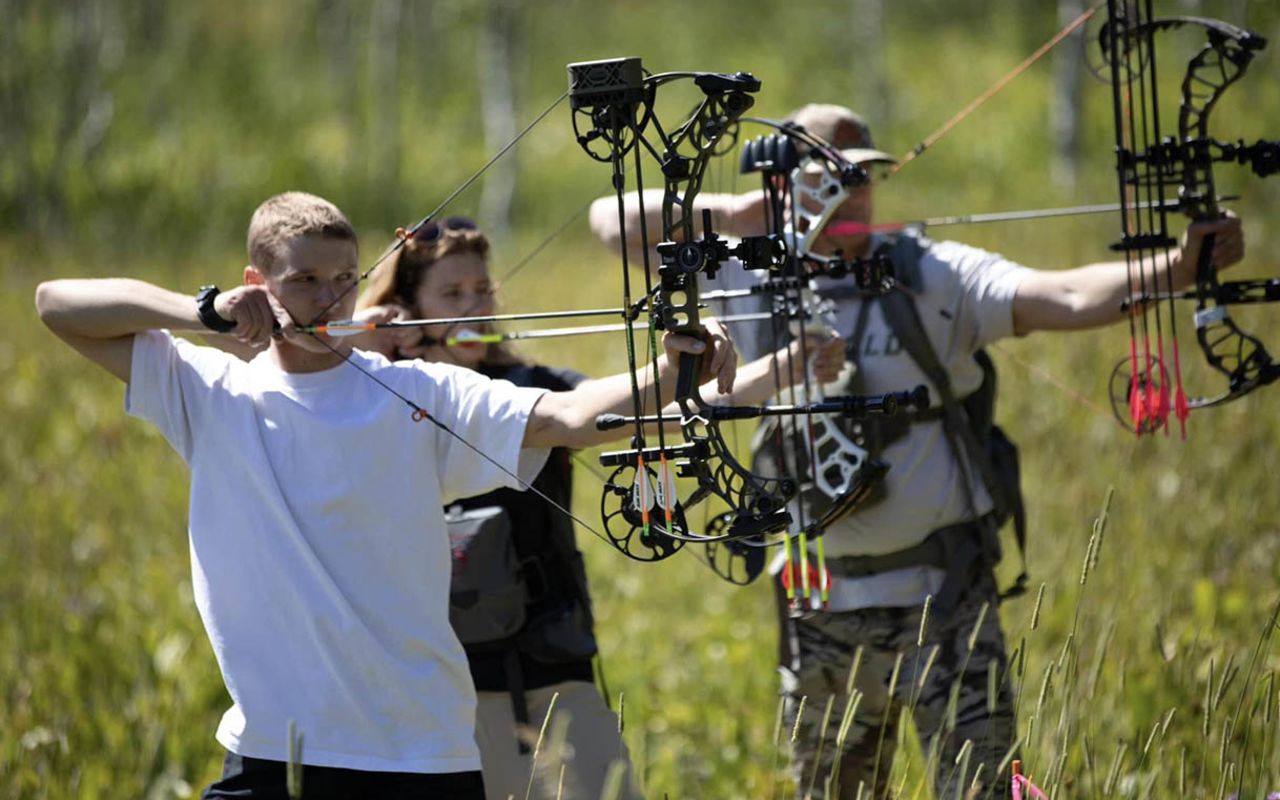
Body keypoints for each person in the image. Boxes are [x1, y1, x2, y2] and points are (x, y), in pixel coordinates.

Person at [590, 104, 1244, 799]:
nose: (854, 193)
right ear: (785, 183)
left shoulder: (928, 273)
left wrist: (1175, 268)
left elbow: (1067, 294)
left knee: (981, 791)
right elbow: (611, 220)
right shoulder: (745, 272)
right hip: (821, 609)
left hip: (947, 601)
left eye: (863, 177)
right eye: (830, 177)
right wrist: (744, 212)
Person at [33, 191, 743, 800]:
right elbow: (56, 305)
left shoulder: (416, 392)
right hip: (272, 753)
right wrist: (206, 313)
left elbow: (571, 418)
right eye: (304, 280)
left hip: (420, 757)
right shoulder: (209, 392)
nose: (329, 299)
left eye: (344, 279)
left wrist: (673, 365)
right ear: (258, 282)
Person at [351, 217, 846, 800]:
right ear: (409, 309)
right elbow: (270, 361)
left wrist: (782, 369)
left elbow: (658, 409)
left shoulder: (534, 390)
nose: (474, 307)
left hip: (552, 664)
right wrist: (362, 343)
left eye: (482, 290)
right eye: (451, 295)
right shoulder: (374, 394)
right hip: (437, 686)